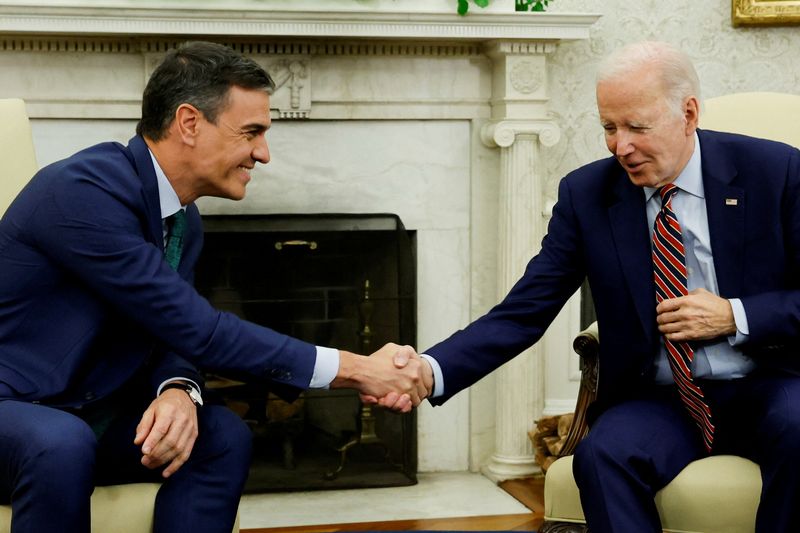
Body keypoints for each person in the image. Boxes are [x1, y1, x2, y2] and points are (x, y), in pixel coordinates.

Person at [0, 41, 428, 533]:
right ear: (189, 123)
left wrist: (178, 389)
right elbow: (202, 330)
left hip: (86, 415)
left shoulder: (184, 220)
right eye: (252, 132)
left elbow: (172, 330)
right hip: (14, 410)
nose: (263, 154)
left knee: (220, 433)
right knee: (59, 441)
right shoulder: (82, 192)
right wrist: (357, 370)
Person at [391, 41, 800, 532]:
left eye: (637, 127)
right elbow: (525, 310)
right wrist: (430, 370)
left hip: (768, 382)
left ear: (688, 113)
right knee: (601, 458)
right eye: (609, 126)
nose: (618, 145)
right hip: (662, 399)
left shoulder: (776, 172)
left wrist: (736, 315)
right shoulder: (587, 195)